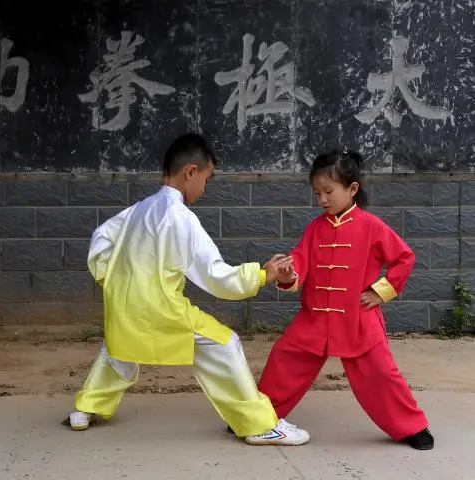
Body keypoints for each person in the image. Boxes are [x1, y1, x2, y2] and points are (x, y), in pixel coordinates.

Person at [63, 133, 310, 446]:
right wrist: (263, 274)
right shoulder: (180, 217)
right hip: (162, 308)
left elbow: (100, 240)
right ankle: (257, 424)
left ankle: (84, 410)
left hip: (123, 305)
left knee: (119, 349)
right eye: (206, 179)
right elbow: (215, 275)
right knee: (225, 343)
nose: (204, 188)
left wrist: (111, 280)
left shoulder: (138, 209)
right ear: (190, 172)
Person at [250, 149, 433, 450]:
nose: (322, 199)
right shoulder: (314, 229)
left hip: (358, 317)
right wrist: (287, 275)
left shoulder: (372, 226)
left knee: (381, 373)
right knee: (284, 360)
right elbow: (299, 261)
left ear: (352, 189)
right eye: (317, 193)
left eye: (328, 191)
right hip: (315, 318)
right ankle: (256, 419)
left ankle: (411, 427)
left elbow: (404, 258)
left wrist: (380, 292)